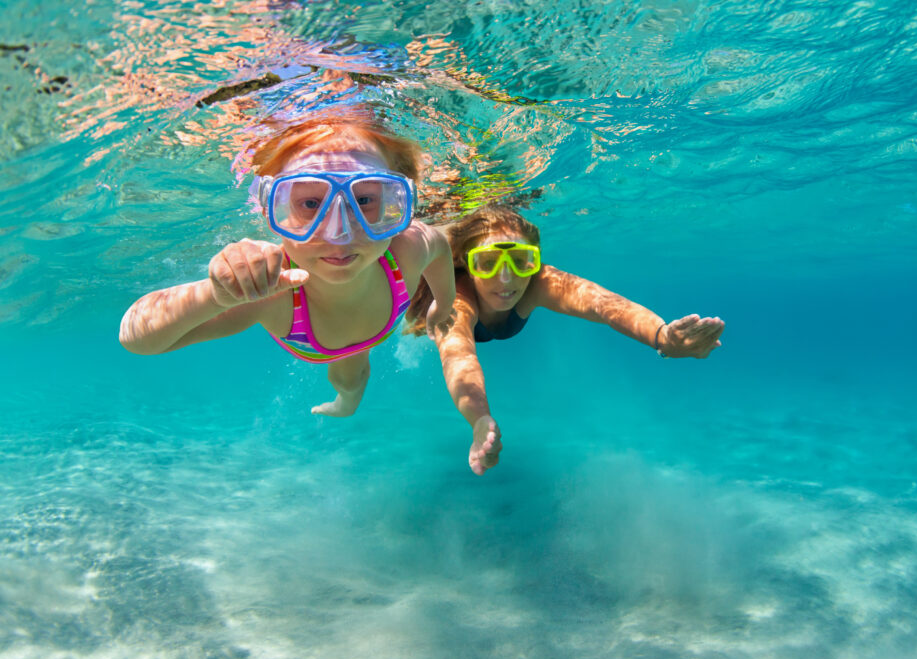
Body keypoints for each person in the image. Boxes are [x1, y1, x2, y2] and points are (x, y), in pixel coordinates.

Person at [120, 115, 456, 416]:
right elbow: (136, 339)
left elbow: (440, 250)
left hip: (368, 338)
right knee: (348, 376)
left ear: (395, 201)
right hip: (313, 340)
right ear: (272, 210)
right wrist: (216, 295)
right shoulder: (270, 289)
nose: (339, 233)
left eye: (365, 200)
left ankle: (347, 404)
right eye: (310, 203)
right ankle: (345, 403)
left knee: (353, 376)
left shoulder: (407, 247)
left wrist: (443, 304)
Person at [406, 205, 724, 475]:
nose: (506, 278)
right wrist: (478, 419)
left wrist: (662, 337)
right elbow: (459, 357)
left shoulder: (539, 283)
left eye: (521, 260)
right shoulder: (456, 300)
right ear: (468, 265)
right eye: (487, 263)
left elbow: (603, 305)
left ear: (536, 261)